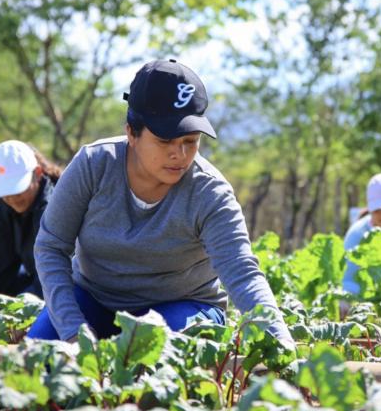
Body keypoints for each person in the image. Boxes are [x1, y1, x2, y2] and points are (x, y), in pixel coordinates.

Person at [27, 59, 293, 346]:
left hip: (183, 308)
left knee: (161, 364)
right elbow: (51, 247)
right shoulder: (93, 166)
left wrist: (280, 345)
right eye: (166, 140)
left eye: (190, 141)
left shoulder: (209, 192)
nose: (180, 154)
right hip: (96, 302)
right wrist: (72, 329)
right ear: (131, 132)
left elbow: (242, 273)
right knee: (43, 357)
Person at [0, 140, 62, 298]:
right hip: (33, 281)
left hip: (66, 288)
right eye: (6, 192)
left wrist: (22, 307)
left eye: (18, 189)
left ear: (38, 174)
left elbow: (55, 277)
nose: (12, 198)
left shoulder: (56, 206)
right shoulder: (4, 205)